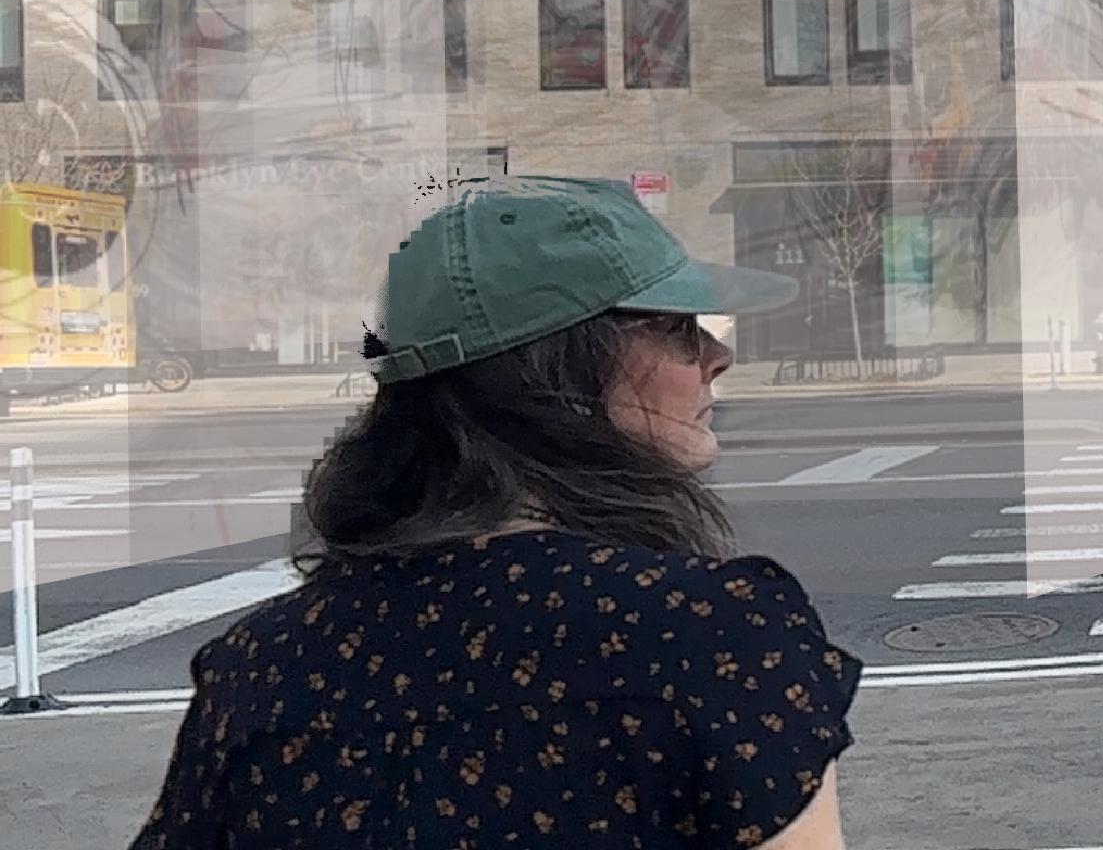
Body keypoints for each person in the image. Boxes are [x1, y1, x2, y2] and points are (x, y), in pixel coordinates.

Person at [130, 176, 860, 849]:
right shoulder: (715, 639)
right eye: (672, 325)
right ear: (562, 369)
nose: (714, 352)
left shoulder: (258, 671)